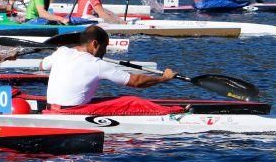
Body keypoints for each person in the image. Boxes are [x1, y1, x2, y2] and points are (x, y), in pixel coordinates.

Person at [42, 26, 180, 115]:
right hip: (72, 113)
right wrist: (164, 78)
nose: (105, 51)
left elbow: (42, 65)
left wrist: (59, 54)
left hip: (49, 109)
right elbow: (136, 82)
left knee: (107, 99)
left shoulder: (61, 51)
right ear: (95, 44)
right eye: (105, 46)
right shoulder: (97, 64)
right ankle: (174, 113)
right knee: (131, 101)